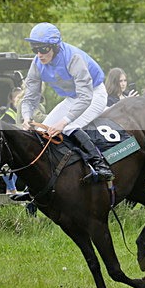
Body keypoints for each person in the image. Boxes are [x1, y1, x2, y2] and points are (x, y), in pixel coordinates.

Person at [20, 22, 114, 182]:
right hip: (73, 98)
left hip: (94, 94)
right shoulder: (36, 63)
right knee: (43, 134)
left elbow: (85, 97)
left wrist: (63, 122)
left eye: (43, 49)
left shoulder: (73, 58)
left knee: (69, 126)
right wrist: (26, 117)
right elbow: (30, 97)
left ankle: (101, 165)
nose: (39, 54)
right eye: (35, 49)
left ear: (55, 47)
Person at [0, 88, 22, 194]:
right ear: (12, 100)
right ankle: (12, 190)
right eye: (18, 97)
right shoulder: (7, 117)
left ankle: (10, 190)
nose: (20, 100)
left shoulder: (22, 114)